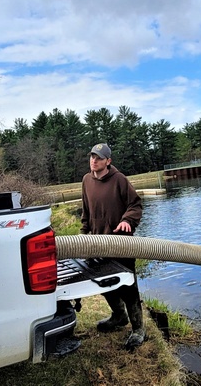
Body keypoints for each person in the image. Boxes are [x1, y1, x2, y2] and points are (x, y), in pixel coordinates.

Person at [80, 143, 145, 349]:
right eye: (92, 156)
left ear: (108, 161)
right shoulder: (86, 180)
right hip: (97, 243)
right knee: (102, 281)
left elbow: (135, 204)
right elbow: (86, 211)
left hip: (121, 243)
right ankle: (119, 316)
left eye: (99, 157)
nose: (94, 160)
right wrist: (83, 233)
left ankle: (138, 329)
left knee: (128, 287)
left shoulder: (119, 180)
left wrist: (128, 220)